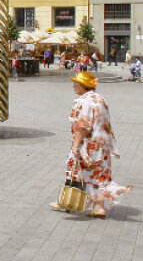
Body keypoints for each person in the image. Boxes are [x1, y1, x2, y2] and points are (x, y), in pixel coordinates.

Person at [51, 71, 132, 218]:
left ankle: (67, 201)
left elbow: (82, 126)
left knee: (74, 168)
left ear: (84, 85)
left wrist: (75, 145)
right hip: (103, 144)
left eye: (77, 83)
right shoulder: (101, 98)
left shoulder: (84, 101)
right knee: (99, 175)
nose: (74, 86)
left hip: (88, 145)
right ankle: (98, 208)